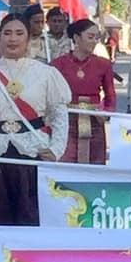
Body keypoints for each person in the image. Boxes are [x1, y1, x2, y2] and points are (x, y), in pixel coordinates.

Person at [0, 14, 70, 241]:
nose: (13, 39)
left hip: (32, 156)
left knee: (31, 221)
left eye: (19, 33)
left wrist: (56, 150)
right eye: (7, 33)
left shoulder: (45, 73)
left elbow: (59, 114)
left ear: (29, 39)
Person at [52, 16, 116, 162]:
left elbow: (110, 94)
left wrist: (106, 113)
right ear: (76, 37)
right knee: (66, 161)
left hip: (94, 120)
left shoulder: (103, 64)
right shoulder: (58, 64)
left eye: (96, 37)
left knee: (94, 163)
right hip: (66, 121)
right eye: (90, 37)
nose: (94, 41)